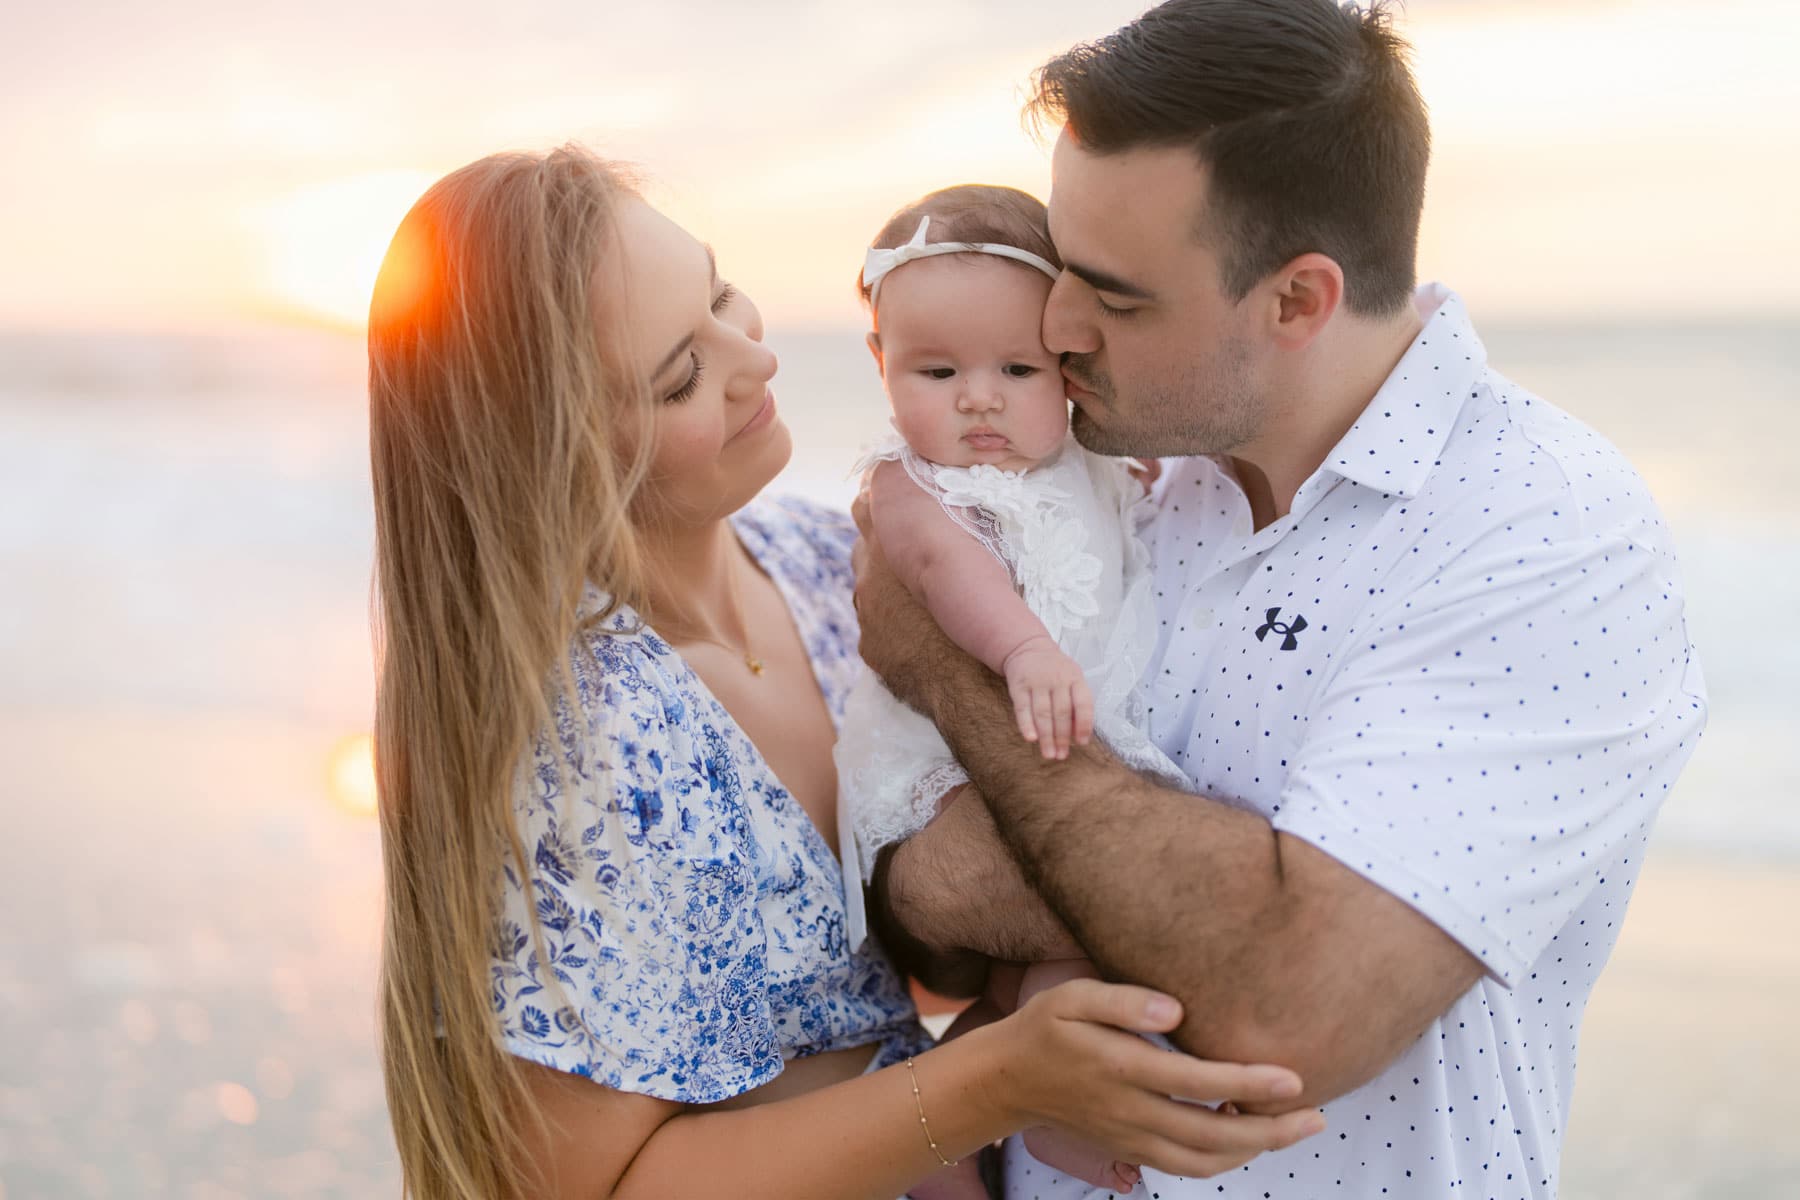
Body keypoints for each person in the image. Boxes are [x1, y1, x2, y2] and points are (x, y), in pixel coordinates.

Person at [856, 3, 1709, 1198]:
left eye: (1117, 295)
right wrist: (1140, 889)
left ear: (1299, 299)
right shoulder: (1126, 475)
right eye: (1061, 270)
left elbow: (1289, 1007)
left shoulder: (1541, 531)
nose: (1054, 329)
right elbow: (913, 912)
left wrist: (945, 669)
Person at [366, 145, 1327, 1200]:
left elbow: (908, 956)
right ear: (558, 454)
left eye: (724, 293)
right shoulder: (584, 742)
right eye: (685, 371)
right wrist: (997, 1078)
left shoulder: (831, 569)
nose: (755, 361)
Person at [834, 184, 1188, 1195]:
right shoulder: (911, 487)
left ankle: (956, 1101)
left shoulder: (1079, 457)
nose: (979, 399)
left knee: (1045, 969)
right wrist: (1023, 649)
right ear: (881, 365)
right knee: (1073, 907)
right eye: (936, 371)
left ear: (1069, 367)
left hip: (1052, 738)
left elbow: (1120, 508)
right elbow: (953, 575)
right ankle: (1034, 1109)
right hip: (942, 772)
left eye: (1018, 369)